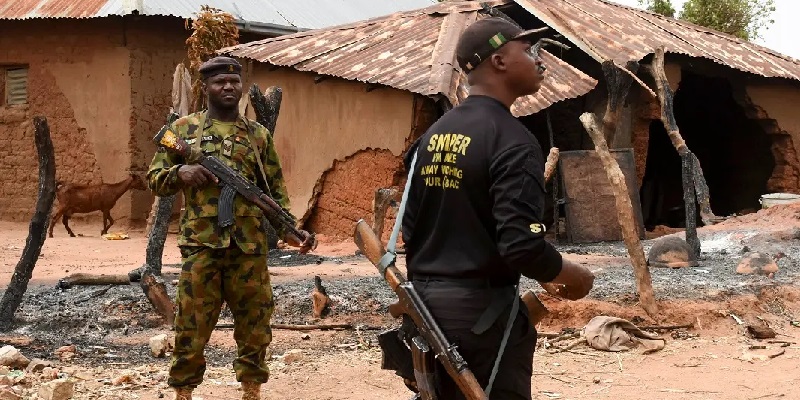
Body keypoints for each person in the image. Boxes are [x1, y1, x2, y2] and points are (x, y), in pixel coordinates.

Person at [399, 17, 596, 399]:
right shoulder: (513, 142)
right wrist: (574, 274)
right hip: (483, 322)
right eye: (530, 50)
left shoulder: (431, 138)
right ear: (499, 61)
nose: (541, 61)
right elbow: (521, 246)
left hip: (424, 314)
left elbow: (411, 229)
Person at [147, 56, 314, 400]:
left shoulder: (257, 136)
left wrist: (291, 230)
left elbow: (274, 192)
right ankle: (183, 392)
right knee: (191, 324)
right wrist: (180, 173)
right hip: (201, 246)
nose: (228, 87)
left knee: (255, 323)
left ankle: (251, 390)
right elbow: (154, 179)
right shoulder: (184, 130)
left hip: (249, 248)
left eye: (234, 82)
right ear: (205, 87)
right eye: (220, 82)